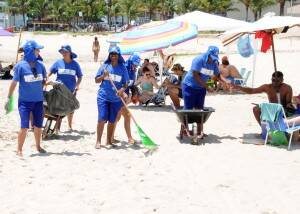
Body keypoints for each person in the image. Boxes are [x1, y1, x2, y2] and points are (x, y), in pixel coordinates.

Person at [5, 40, 47, 156]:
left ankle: (38, 147)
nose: (39, 51)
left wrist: (48, 83)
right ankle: (19, 150)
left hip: (38, 101)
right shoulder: (20, 66)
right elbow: (13, 83)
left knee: (38, 126)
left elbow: (43, 81)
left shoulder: (40, 65)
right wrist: (9, 98)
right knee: (24, 127)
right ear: (30, 51)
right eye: (37, 50)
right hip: (25, 102)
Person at [182, 46, 224, 137]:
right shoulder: (198, 60)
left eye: (214, 58)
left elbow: (217, 75)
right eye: (211, 57)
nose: (212, 60)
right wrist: (207, 87)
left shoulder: (214, 63)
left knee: (200, 109)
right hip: (189, 86)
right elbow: (196, 76)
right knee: (187, 109)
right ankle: (184, 130)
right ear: (207, 54)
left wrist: (224, 83)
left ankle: (200, 131)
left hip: (201, 88)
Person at [95, 46, 129, 149]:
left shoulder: (122, 68)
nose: (113, 56)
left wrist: (122, 91)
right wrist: (103, 76)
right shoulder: (105, 66)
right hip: (103, 96)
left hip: (116, 99)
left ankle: (109, 141)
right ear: (109, 55)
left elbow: (126, 83)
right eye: (112, 54)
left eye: (115, 54)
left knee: (112, 120)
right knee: (102, 118)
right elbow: (96, 80)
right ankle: (98, 141)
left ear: (118, 56)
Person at [48, 45, 83, 131]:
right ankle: (57, 128)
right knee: (58, 108)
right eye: (62, 52)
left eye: (65, 52)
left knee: (70, 108)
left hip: (71, 90)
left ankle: (70, 126)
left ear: (70, 52)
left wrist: (77, 85)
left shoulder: (75, 64)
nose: (63, 53)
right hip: (59, 89)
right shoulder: (58, 63)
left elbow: (80, 76)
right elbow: (50, 71)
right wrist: (47, 78)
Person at [113, 54, 141, 144]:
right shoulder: (123, 69)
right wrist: (123, 92)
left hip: (125, 99)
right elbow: (118, 84)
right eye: (134, 64)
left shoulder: (133, 71)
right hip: (118, 97)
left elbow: (131, 84)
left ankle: (129, 138)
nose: (135, 66)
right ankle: (111, 138)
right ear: (130, 62)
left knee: (125, 117)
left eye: (137, 65)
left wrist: (135, 93)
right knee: (117, 117)